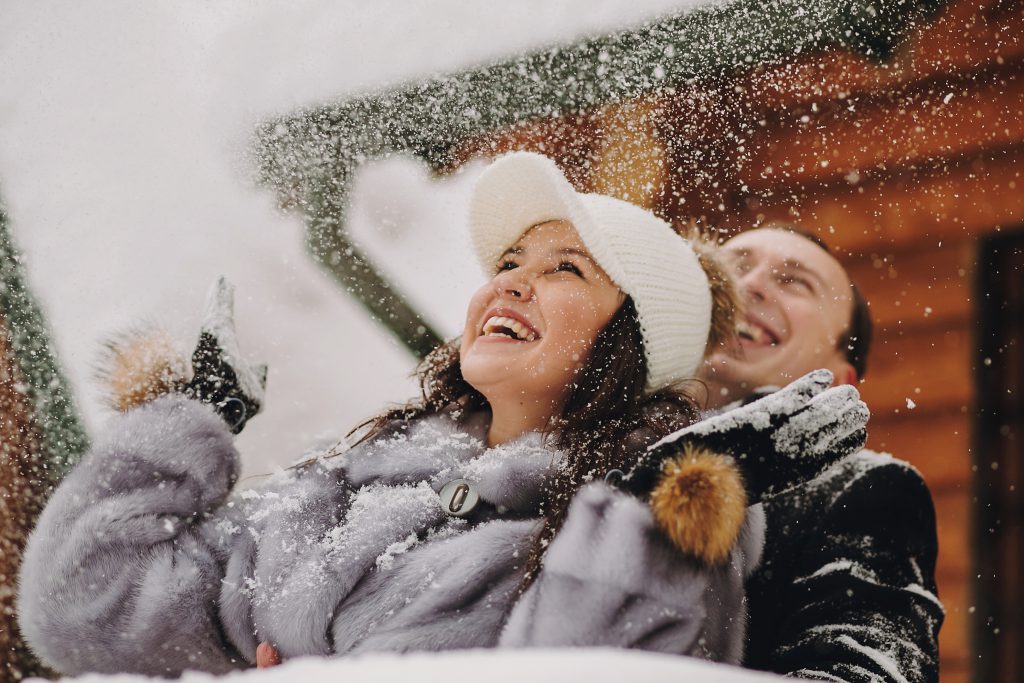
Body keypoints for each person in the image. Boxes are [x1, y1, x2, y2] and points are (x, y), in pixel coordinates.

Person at [18, 153, 868, 676]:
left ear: (632, 342)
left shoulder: (643, 536)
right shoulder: (350, 478)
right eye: (506, 260)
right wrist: (187, 417)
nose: (510, 280)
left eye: (566, 268)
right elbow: (82, 608)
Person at [700, 225, 943, 683]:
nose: (748, 285)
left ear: (839, 380)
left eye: (794, 281)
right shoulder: (578, 452)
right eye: (732, 266)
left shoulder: (865, 490)